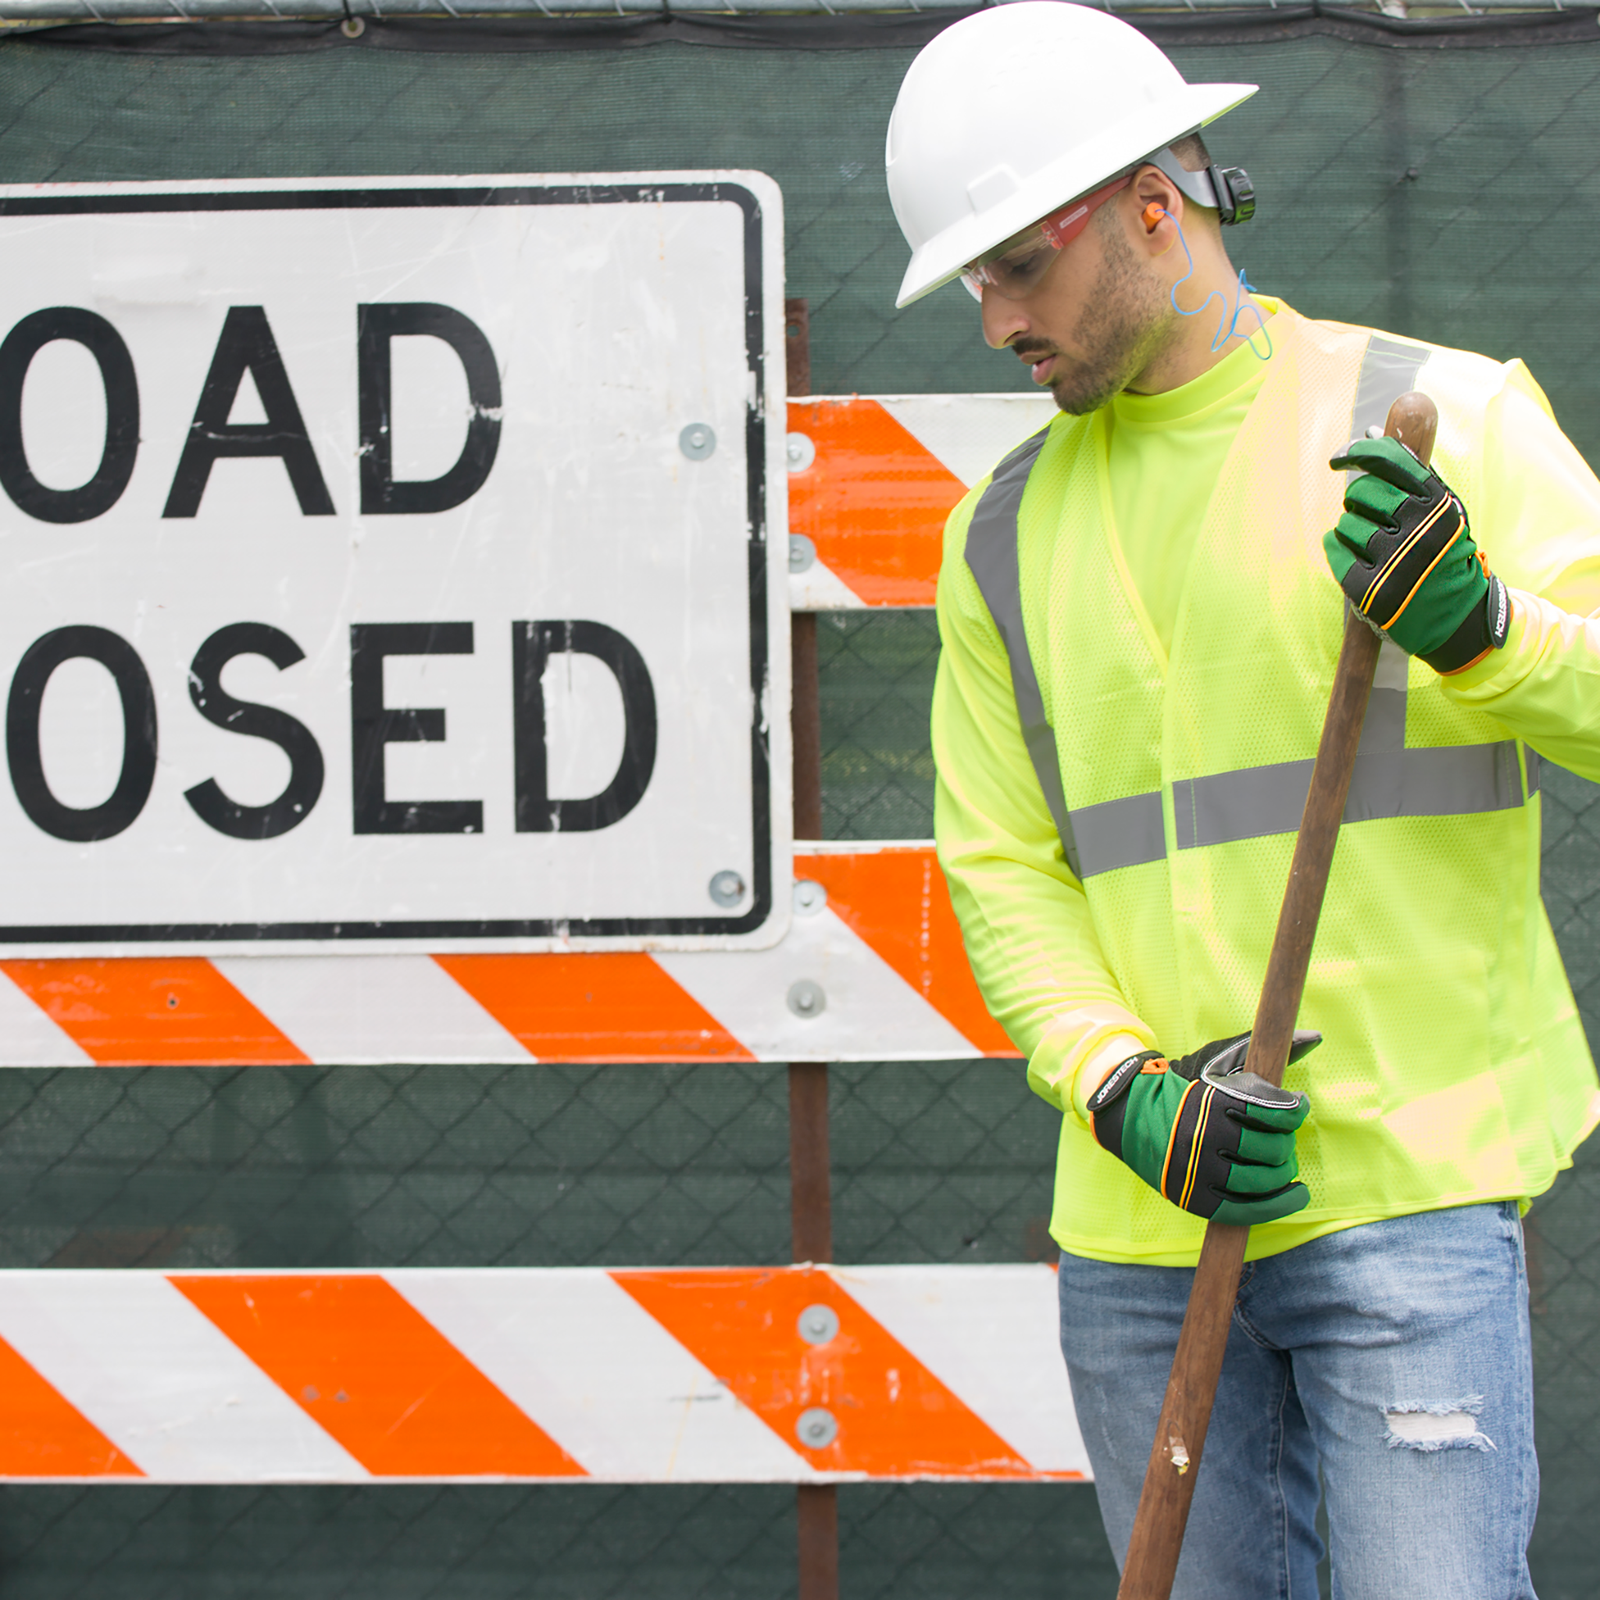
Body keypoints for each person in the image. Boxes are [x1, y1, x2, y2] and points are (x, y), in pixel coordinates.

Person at [885, 5, 1600, 1596]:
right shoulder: (997, 537)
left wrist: (1487, 631)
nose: (995, 320)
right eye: (976, 282)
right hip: (1140, 1236)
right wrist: (1124, 1089)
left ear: (1153, 201)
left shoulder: (1436, 420)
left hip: (1406, 1200)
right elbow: (998, 866)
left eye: (1014, 267)